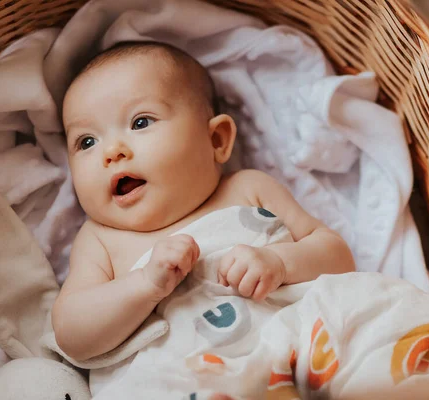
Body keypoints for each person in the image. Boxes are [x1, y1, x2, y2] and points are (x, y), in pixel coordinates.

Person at [51, 41, 356, 362]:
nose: (111, 152)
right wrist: (144, 284)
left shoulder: (249, 188)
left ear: (216, 140)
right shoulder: (101, 239)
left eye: (140, 122)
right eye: (87, 142)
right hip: (187, 378)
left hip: (307, 350)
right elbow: (72, 335)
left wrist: (280, 264)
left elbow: (337, 257)